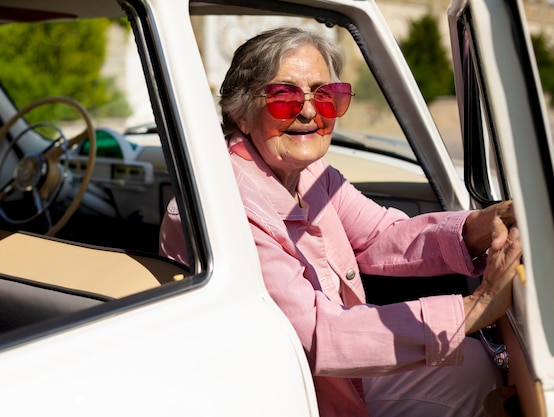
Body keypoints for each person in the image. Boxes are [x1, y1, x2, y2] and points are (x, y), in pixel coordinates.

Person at [159, 27, 522, 417]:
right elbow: (316, 332)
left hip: (337, 376)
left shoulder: (312, 173)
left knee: (474, 365)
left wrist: (486, 223)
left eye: (325, 96)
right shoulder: (228, 204)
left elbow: (381, 236)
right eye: (284, 97)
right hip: (283, 392)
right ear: (242, 113)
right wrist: (473, 309)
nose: (310, 112)